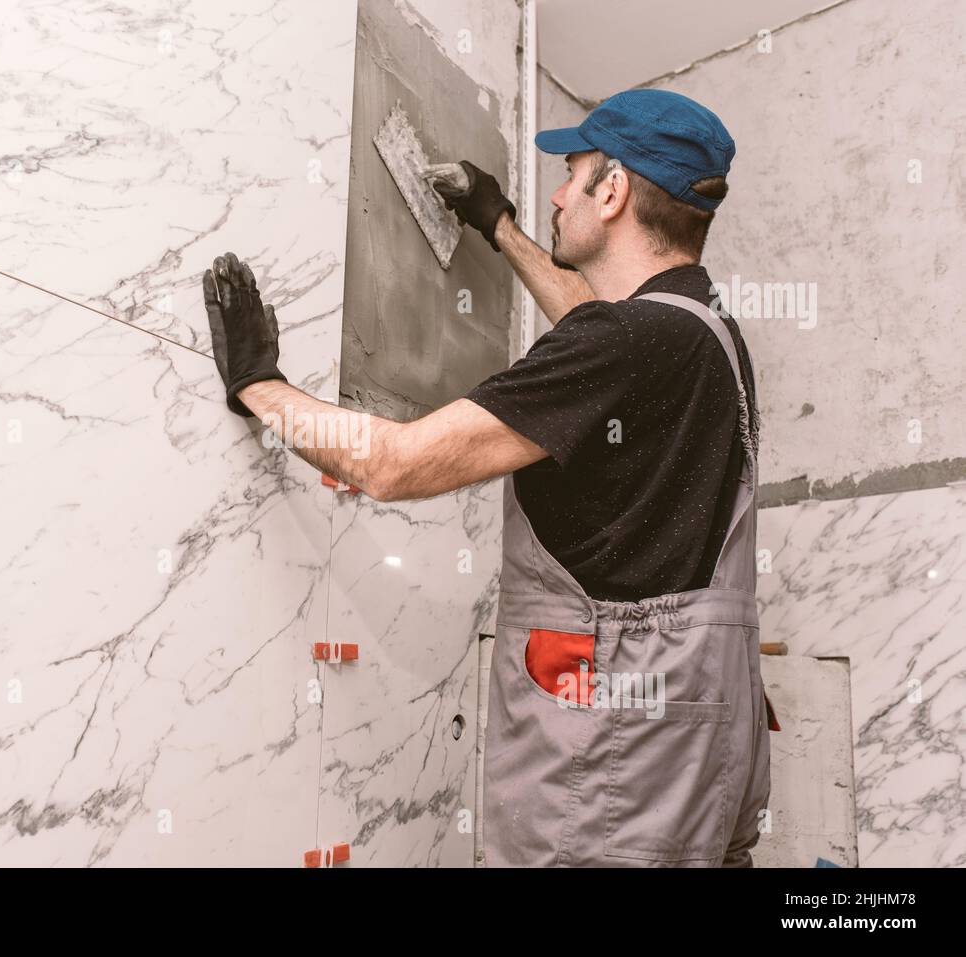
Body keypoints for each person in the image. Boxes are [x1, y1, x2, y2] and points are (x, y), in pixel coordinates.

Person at [203, 88, 771, 866]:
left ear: (614, 192)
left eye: (571, 175)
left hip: (614, 765)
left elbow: (392, 462)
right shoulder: (707, 336)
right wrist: (499, 227)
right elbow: (597, 333)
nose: (560, 194)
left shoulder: (627, 342)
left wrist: (260, 385)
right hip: (705, 737)